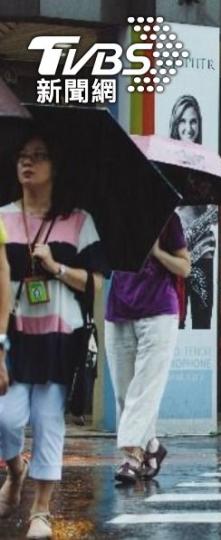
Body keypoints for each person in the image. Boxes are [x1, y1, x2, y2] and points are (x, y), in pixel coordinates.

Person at [0, 133, 108, 538]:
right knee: (5, 419)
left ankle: (40, 510)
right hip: (11, 335)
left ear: (55, 167)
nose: (28, 164)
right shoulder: (2, 217)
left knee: (48, 422)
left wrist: (57, 268)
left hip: (60, 337)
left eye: (39, 157)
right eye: (22, 157)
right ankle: (15, 471)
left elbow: (96, 282)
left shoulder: (78, 221)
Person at [105, 215, 191, 484]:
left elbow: (184, 267)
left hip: (158, 311)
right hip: (118, 309)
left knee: (144, 389)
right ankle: (152, 447)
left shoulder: (167, 219)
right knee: (124, 392)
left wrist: (156, 252)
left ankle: (131, 456)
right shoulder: (112, 218)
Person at [176, 205, 216, 330]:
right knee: (177, 313)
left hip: (202, 255)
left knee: (202, 312)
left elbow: (215, 216)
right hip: (178, 256)